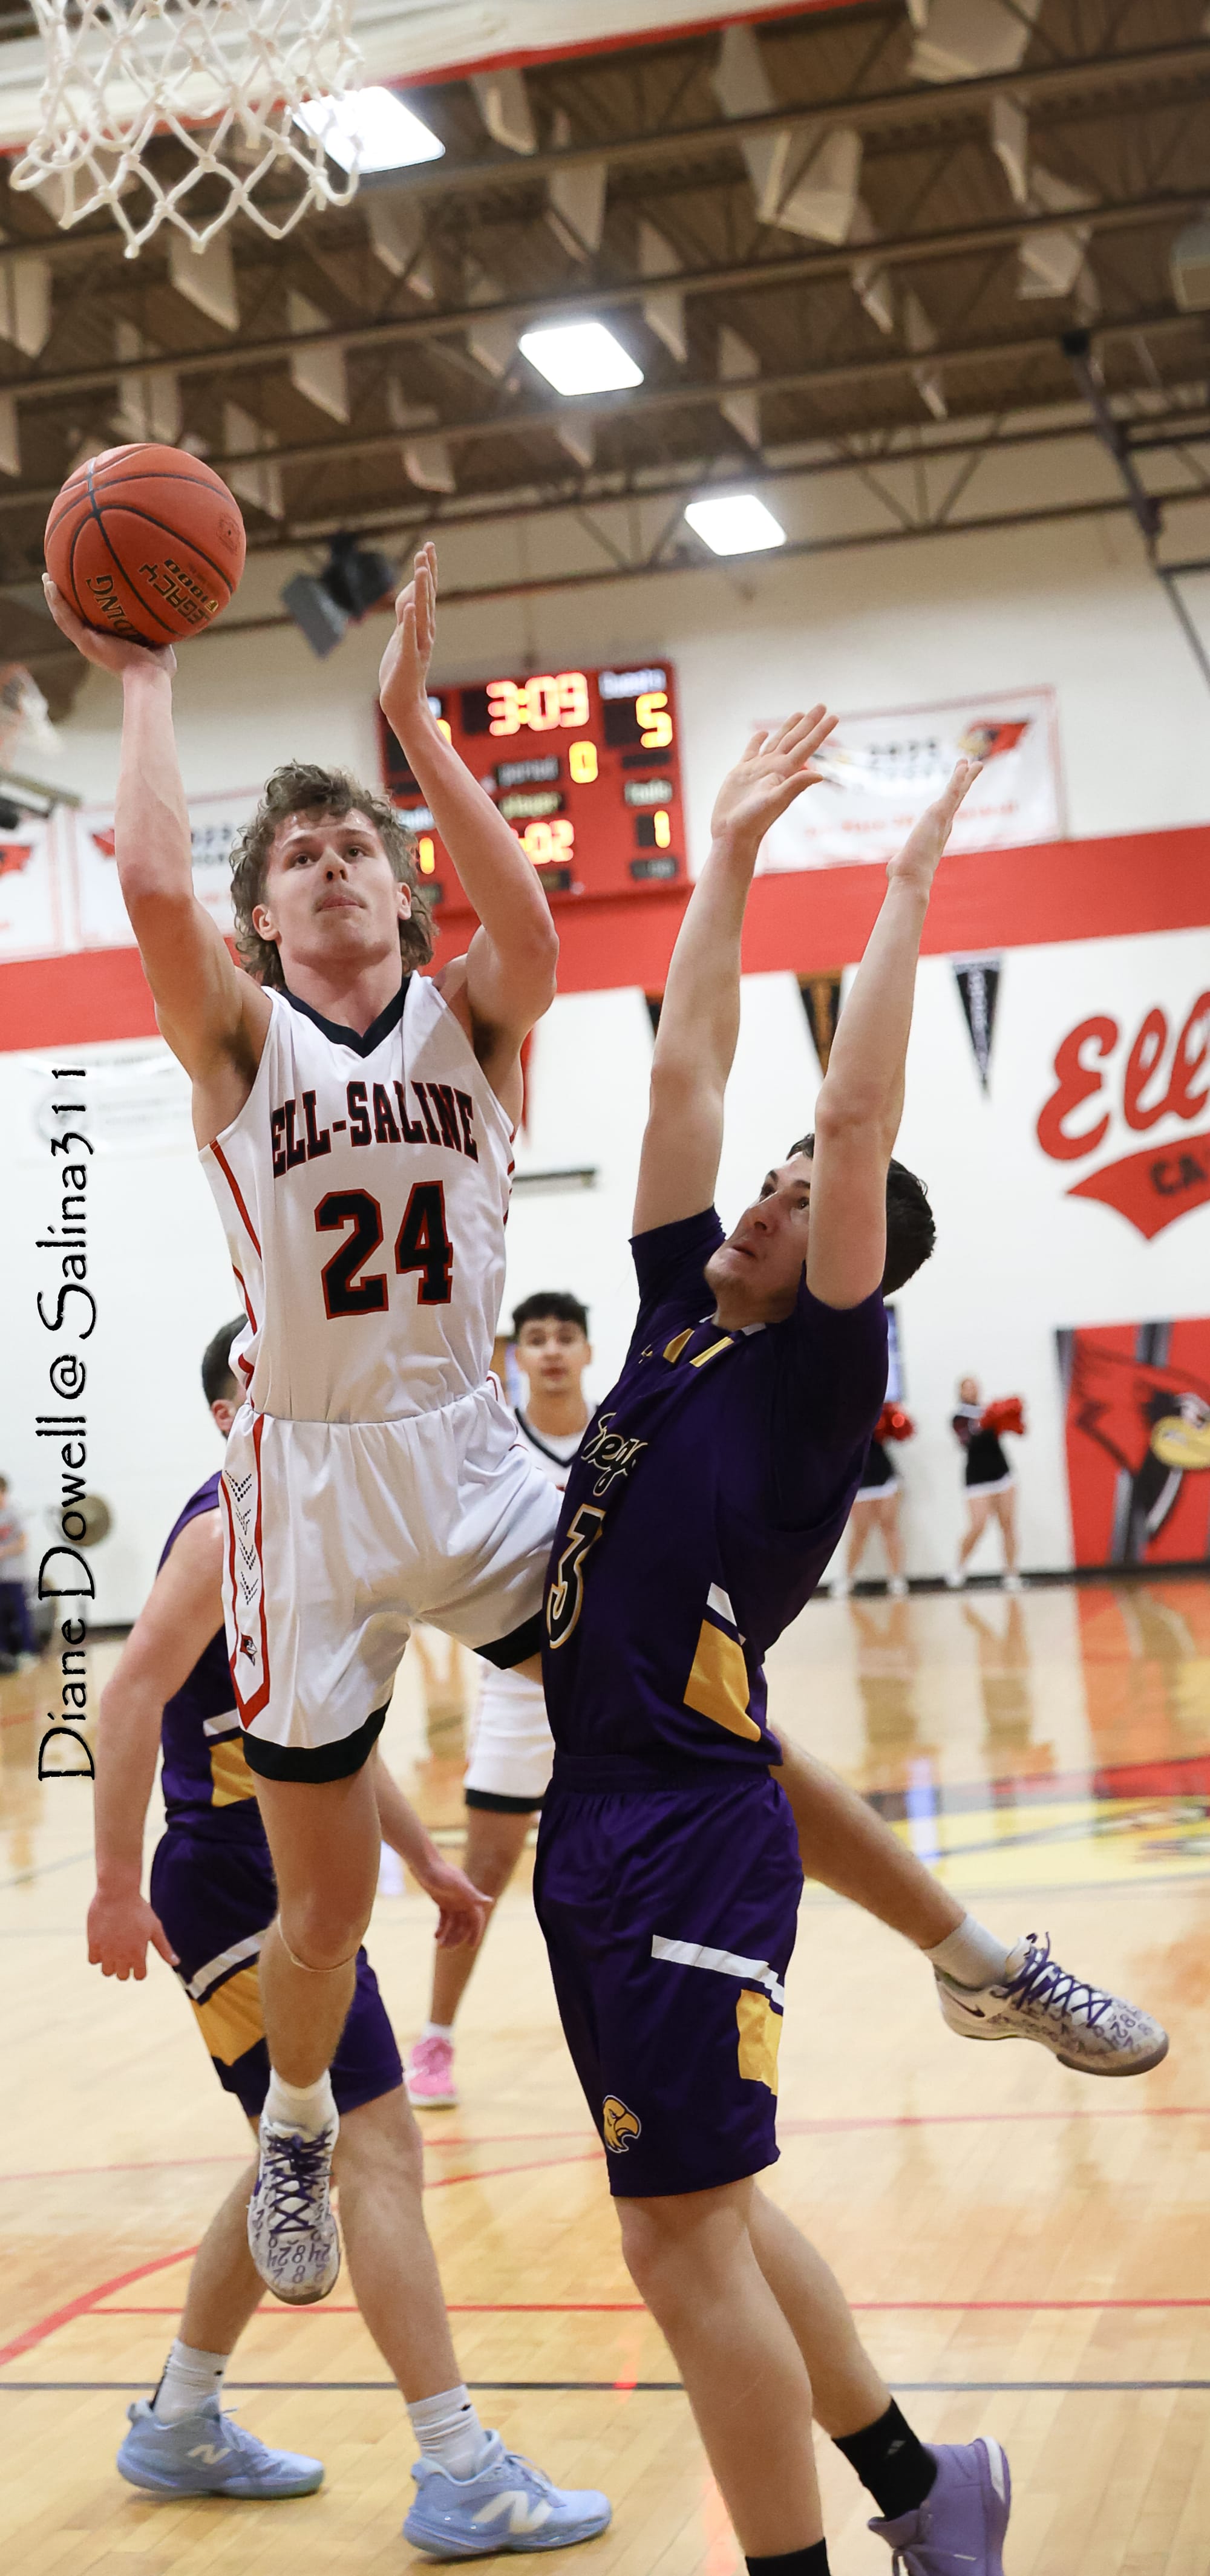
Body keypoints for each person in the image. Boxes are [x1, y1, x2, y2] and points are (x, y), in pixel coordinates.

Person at [531, 714, 1168, 2576]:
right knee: (703, 2218)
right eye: (774, 1177)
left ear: (856, 1263)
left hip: (686, 1832)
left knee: (673, 2245)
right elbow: (687, 1061)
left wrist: (903, 882)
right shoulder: (675, 1311)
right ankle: (925, 2488)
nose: (770, 1193)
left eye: (809, 1200)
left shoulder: (817, 1377)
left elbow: (859, 1113)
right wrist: (724, 853)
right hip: (594, 1817)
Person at [46, 543, 570, 2306]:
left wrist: (412, 724)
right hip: (307, 1486)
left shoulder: (469, 1018)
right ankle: (292, 2125)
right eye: (299, 856)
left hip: (473, 1449)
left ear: (405, 897)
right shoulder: (239, 1041)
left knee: (694, 1682)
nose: (332, 863)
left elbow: (537, 931)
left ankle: (962, 1942)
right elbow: (147, 890)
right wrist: (142, 675)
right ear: (261, 919)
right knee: (326, 1908)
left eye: (358, 847)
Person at [85, 1318, 611, 2549]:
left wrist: (422, 1857)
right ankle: (460, 2464)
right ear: (232, 1412)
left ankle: (180, 2417)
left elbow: (325, 1742)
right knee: (377, 2151)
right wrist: (111, 1882)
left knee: (302, 2144)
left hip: (293, 1880)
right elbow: (129, 1691)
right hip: (232, 1887)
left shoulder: (312, 1528)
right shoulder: (223, 1529)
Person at [407, 1290, 592, 2110]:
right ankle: (436, 2036)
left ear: (586, 1351)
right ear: (518, 1357)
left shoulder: (618, 1432)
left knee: (611, 1874)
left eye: (565, 1337)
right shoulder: (495, 1439)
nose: (550, 1350)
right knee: (481, 1871)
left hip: (609, 1688)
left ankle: (620, 2041)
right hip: (518, 1688)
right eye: (536, 1338)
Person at [828, 1402, 912, 1599]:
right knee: (859, 1531)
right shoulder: (843, 1413)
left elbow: (902, 1432)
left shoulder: (881, 1409)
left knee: (889, 1526)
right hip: (859, 1479)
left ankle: (897, 1578)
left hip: (885, 1477)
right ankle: (847, 1578)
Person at [949, 1378, 1023, 1591]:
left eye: (975, 1386)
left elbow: (1016, 1429)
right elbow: (966, 1441)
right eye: (968, 1387)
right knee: (978, 1526)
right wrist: (984, 1422)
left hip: (1001, 1474)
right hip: (977, 1478)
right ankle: (959, 1568)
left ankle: (1011, 1573)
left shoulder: (990, 1410)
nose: (972, 1390)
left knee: (1008, 1524)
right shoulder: (958, 1417)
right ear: (961, 1391)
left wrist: (1010, 1418)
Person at [0, 1474, 37, 1668]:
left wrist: (4, 1551)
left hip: (15, 1574)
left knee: (21, 1612)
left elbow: (22, 1543)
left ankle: (28, 1650)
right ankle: (4, 1652)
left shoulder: (14, 1513)